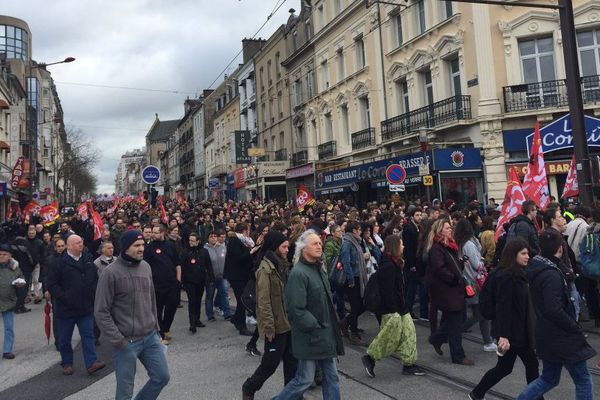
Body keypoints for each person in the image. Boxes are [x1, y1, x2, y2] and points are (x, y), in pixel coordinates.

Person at [517, 229, 596, 400]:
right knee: (583, 379)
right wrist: (572, 325)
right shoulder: (551, 273)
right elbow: (554, 308)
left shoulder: (539, 268)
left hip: (547, 333)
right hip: (562, 336)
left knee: (549, 378)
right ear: (560, 249)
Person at [95, 230, 170, 400]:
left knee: (162, 377)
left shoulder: (146, 267)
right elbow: (101, 311)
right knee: (125, 392)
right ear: (125, 248)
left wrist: (156, 329)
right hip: (126, 341)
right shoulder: (110, 273)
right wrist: (118, 340)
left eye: (143, 244)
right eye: (137, 245)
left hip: (150, 337)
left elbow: (151, 300)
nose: (142, 248)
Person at [272, 230, 344, 400]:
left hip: (325, 335)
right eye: (315, 243)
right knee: (304, 380)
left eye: (320, 243)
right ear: (304, 249)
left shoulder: (319, 269)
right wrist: (315, 326)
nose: (320, 246)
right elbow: (296, 309)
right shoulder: (299, 273)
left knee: (332, 377)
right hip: (311, 336)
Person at [469, 238, 540, 400]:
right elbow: (503, 307)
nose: (527, 256)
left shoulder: (517, 273)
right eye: (523, 253)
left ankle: (477, 393)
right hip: (512, 333)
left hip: (518, 330)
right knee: (524, 365)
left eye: (527, 253)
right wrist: (504, 335)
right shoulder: (507, 276)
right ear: (513, 255)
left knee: (511, 367)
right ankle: (477, 393)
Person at [361, 235, 425, 378]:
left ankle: (409, 364)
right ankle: (370, 358)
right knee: (389, 339)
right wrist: (394, 312)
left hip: (400, 308)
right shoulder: (389, 267)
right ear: (395, 247)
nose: (403, 247)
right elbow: (387, 293)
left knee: (409, 334)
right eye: (401, 244)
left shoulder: (394, 264)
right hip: (392, 311)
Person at [242, 231, 297, 400]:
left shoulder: (283, 265)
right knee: (270, 364)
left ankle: (291, 394)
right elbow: (263, 302)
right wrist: (268, 327)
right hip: (276, 325)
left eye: (288, 246)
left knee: (291, 362)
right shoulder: (265, 270)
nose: (287, 249)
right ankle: (249, 387)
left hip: (288, 322)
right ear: (275, 247)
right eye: (284, 246)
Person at [47, 234, 105, 375]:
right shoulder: (59, 262)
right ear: (69, 246)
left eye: (81, 241)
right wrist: (65, 297)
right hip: (66, 308)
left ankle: (92, 363)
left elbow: (94, 279)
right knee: (64, 339)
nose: (81, 244)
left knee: (88, 335)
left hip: (85, 307)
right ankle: (67, 363)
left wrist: (93, 294)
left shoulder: (87, 259)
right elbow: (53, 284)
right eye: (78, 242)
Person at [425, 219, 473, 366]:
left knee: (455, 320)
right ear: (440, 231)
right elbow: (440, 269)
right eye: (447, 228)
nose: (450, 229)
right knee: (455, 323)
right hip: (448, 289)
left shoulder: (449, 245)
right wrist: (453, 278)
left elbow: (450, 264)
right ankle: (457, 355)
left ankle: (436, 338)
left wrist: (460, 264)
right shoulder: (437, 248)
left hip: (454, 288)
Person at [454, 218, 496, 352]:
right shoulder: (469, 245)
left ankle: (488, 341)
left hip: (470, 280)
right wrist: (482, 261)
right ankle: (454, 332)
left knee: (480, 312)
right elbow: (476, 264)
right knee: (480, 314)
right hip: (475, 281)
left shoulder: (461, 243)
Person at [143, 224, 182, 345]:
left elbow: (177, 263)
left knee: (172, 306)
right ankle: (160, 333)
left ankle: (166, 327)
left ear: (162, 233)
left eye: (155, 232)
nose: (153, 234)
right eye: (152, 232)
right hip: (157, 284)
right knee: (158, 309)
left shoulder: (170, 245)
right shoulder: (149, 247)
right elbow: (145, 266)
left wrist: (178, 279)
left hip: (172, 283)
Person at [339, 220, 369, 345]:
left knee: (360, 305)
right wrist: (351, 279)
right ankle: (353, 330)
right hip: (352, 279)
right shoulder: (347, 243)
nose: (360, 232)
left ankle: (346, 322)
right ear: (354, 231)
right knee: (356, 305)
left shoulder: (355, 242)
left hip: (358, 277)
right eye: (359, 229)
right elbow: (346, 262)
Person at [224, 223, 254, 336]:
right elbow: (238, 257)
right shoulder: (234, 241)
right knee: (242, 301)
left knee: (242, 300)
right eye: (248, 230)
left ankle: (236, 319)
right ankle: (242, 326)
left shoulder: (245, 240)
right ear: (244, 230)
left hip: (243, 275)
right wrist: (250, 252)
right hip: (236, 276)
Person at [181, 232, 213, 333]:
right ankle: (192, 323)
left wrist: (211, 278)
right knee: (192, 301)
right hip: (189, 281)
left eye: (192, 241)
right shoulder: (185, 252)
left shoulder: (204, 251)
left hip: (200, 280)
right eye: (189, 240)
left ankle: (197, 319)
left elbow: (209, 266)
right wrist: (182, 282)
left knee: (198, 300)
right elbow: (181, 266)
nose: (190, 242)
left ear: (198, 241)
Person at [403, 207, 428, 320]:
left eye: (420, 215)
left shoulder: (418, 227)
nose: (419, 217)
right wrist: (411, 264)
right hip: (412, 264)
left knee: (414, 288)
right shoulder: (409, 228)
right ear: (412, 216)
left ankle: (409, 309)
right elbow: (408, 248)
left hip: (417, 263)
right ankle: (408, 310)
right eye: (417, 215)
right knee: (411, 289)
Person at [0, 244, 25, 359]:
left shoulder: (15, 268)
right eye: (0, 254)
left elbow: (22, 279)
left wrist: (20, 284)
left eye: (4, 254)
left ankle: (7, 350)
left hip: (8, 301)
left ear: (10, 256)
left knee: (9, 328)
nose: (1, 256)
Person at [204, 230, 230, 321]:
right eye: (211, 236)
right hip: (210, 278)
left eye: (215, 236)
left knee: (224, 294)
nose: (213, 238)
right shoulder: (205, 249)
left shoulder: (222, 248)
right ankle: (210, 315)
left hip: (222, 276)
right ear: (208, 238)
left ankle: (227, 314)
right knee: (209, 296)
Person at [323, 224, 345, 321]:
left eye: (341, 231)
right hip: (334, 273)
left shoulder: (341, 241)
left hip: (340, 271)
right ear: (332, 233)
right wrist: (337, 260)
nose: (340, 233)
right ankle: (341, 316)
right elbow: (328, 260)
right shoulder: (329, 244)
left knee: (339, 294)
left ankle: (341, 314)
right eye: (338, 231)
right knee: (338, 294)